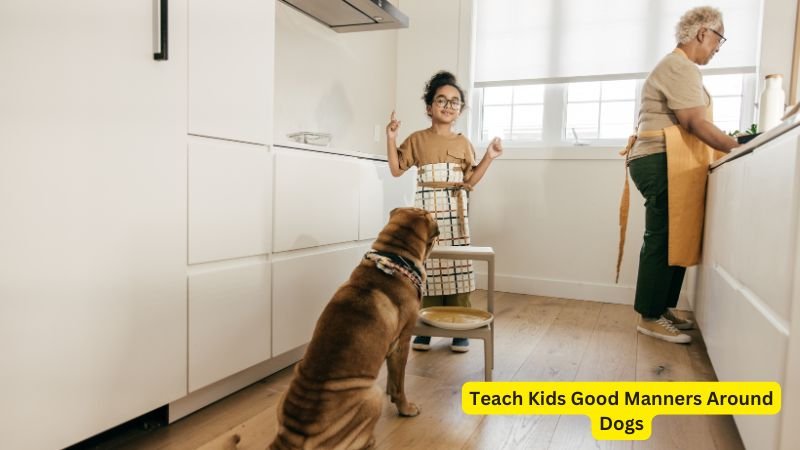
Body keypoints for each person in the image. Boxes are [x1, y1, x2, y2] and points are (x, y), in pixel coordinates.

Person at [617, 6, 739, 344]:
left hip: (665, 158)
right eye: (719, 39)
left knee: (677, 233)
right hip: (659, 159)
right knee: (664, 234)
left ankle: (660, 308)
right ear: (703, 33)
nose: (718, 47)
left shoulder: (680, 68)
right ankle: (649, 315)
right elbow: (694, 123)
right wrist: (737, 147)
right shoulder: (679, 66)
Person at [386, 71, 502, 353]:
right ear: (429, 107)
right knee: (428, 265)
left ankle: (460, 327)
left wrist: (489, 156)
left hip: (455, 209)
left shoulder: (462, 143)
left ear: (460, 109)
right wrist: (391, 137)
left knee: (457, 265)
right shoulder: (417, 139)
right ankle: (426, 326)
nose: (448, 105)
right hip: (426, 211)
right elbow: (396, 168)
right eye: (442, 100)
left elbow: (470, 181)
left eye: (455, 101)